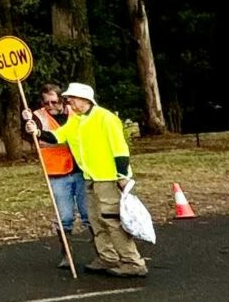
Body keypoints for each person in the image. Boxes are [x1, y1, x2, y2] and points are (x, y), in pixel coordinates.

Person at [25, 81, 148, 277]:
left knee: (112, 220)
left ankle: (132, 261)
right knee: (95, 219)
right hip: (90, 177)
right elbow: (58, 136)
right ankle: (107, 257)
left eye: (71, 99)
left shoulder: (105, 118)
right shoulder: (77, 120)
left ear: (84, 100)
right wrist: (37, 132)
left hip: (108, 178)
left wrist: (122, 176)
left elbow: (120, 150)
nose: (69, 103)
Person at [31, 82, 94, 266]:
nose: (50, 106)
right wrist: (33, 128)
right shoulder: (37, 116)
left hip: (82, 169)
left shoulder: (76, 113)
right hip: (57, 171)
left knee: (88, 214)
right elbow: (34, 134)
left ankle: (103, 254)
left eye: (54, 102)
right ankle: (67, 254)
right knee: (64, 216)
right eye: (46, 103)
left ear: (63, 100)